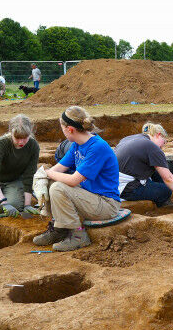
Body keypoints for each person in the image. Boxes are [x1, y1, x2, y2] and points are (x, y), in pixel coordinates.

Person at [33, 106, 121, 252]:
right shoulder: (77, 145)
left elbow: (74, 180)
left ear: (70, 129)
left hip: (107, 204)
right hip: (90, 197)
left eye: (62, 128)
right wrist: (43, 177)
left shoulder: (97, 147)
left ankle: (78, 235)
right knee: (50, 182)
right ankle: (59, 228)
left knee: (58, 187)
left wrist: (46, 172)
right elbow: (57, 170)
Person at [115, 122, 173, 207]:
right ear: (158, 135)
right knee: (166, 191)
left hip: (113, 181)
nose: (162, 146)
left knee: (157, 171)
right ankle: (161, 203)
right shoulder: (152, 147)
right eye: (164, 141)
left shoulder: (130, 138)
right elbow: (169, 179)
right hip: (126, 189)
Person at [0, 114, 41, 217]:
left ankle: (12, 195)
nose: (21, 142)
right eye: (17, 137)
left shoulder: (33, 146)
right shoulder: (1, 143)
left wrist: (27, 205)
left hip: (14, 180)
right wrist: (4, 202)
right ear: (11, 132)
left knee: (16, 205)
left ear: (30, 133)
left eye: (25, 138)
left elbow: (29, 176)